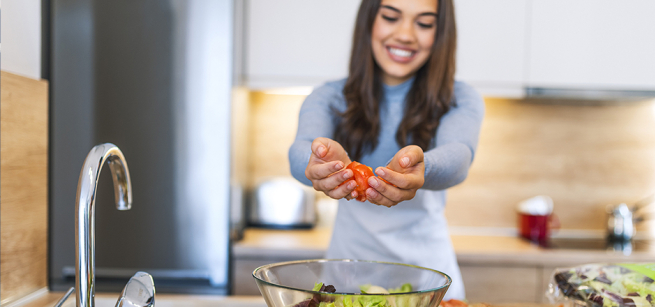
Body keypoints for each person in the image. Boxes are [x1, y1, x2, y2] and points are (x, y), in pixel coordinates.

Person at [288, 0, 484, 300]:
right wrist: (318, 162)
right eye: (391, 17)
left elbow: (459, 156)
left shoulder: (460, 98)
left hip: (428, 284)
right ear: (369, 21)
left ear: (440, 33)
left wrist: (423, 168)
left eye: (424, 23)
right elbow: (300, 150)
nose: (406, 34)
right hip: (346, 282)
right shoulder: (329, 97)